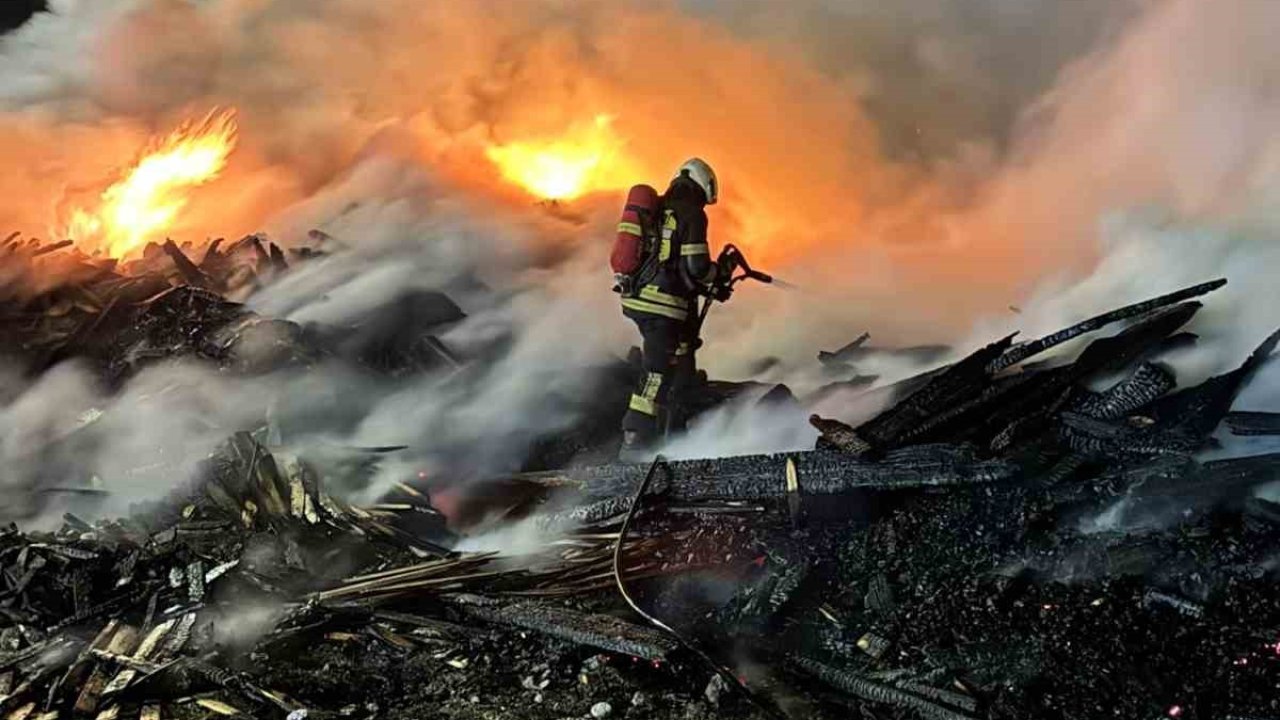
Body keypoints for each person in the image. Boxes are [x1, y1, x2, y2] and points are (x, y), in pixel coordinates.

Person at [618, 158, 731, 460]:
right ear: (703, 188)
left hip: (639, 297)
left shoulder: (659, 208)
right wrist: (718, 273)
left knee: (682, 354)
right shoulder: (692, 213)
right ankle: (634, 441)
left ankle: (677, 427)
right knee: (656, 370)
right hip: (664, 306)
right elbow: (697, 266)